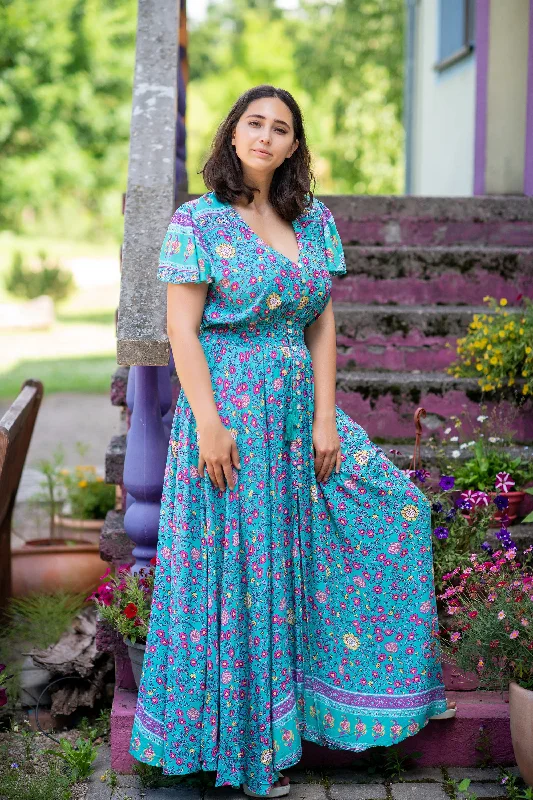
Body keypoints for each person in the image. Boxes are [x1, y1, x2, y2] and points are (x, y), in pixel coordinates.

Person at [129, 84, 456, 798]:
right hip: (229, 413)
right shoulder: (198, 221)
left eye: (281, 128)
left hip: (297, 410)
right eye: (255, 123)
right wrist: (208, 422)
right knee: (244, 576)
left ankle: (339, 702)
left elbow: (321, 325)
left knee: (395, 509)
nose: (266, 136)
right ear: (234, 132)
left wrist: (324, 418)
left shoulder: (313, 222)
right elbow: (182, 329)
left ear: (293, 145)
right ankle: (246, 754)